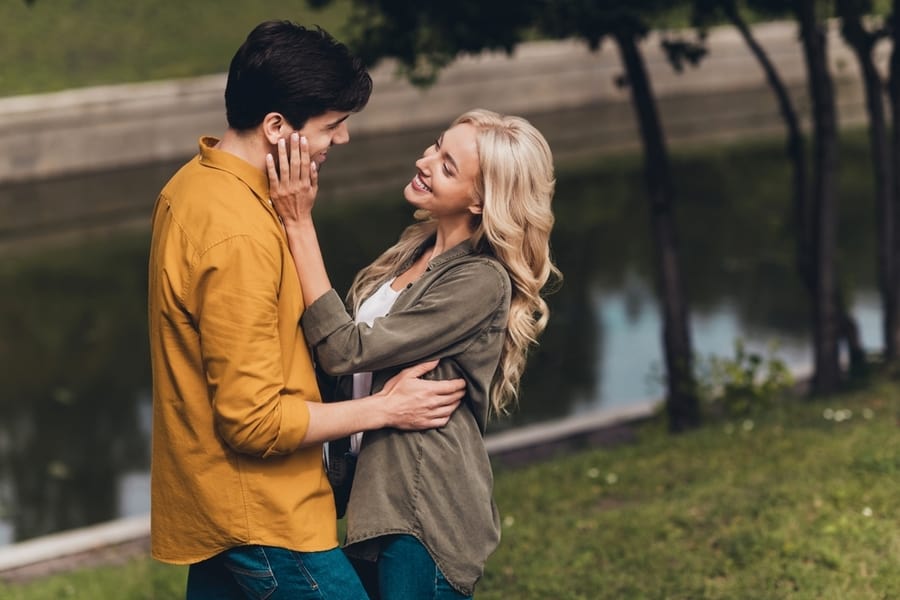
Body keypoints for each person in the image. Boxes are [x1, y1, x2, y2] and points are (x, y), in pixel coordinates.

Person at [147, 20, 466, 600]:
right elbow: (253, 421)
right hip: (266, 516)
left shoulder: (192, 186)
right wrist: (384, 408)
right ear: (276, 127)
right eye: (332, 126)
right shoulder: (239, 233)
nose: (340, 140)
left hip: (218, 503)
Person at [268, 108, 561, 599]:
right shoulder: (413, 251)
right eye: (436, 146)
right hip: (377, 500)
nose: (426, 161)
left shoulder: (479, 280)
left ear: (481, 201)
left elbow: (345, 349)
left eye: (448, 167)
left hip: (424, 510)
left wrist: (299, 222)